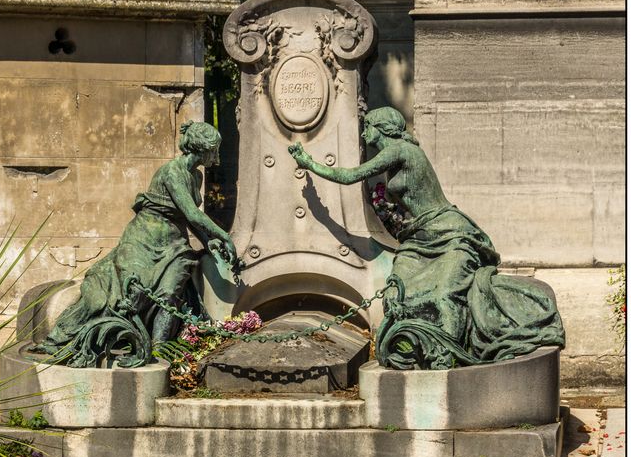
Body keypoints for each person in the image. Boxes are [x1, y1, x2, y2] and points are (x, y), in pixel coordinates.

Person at [289, 106, 565, 369]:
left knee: (445, 293)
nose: (363, 134)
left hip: (448, 232)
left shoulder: (401, 150)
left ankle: (450, 354)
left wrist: (309, 164)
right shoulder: (396, 155)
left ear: (382, 127)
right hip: (417, 242)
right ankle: (416, 347)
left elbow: (351, 176)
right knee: (398, 292)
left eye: (368, 126)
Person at [31, 121, 238, 368]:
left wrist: (208, 241)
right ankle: (79, 337)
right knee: (125, 295)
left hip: (174, 244)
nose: (216, 155)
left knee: (170, 292)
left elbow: (186, 216)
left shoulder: (196, 175)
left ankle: (160, 353)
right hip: (144, 238)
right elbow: (193, 214)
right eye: (214, 149)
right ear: (203, 149)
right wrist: (224, 235)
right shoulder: (172, 171)